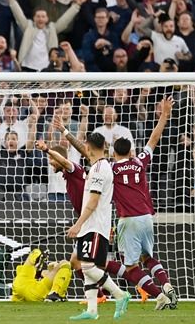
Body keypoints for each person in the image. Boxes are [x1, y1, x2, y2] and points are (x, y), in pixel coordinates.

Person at [111, 97, 178, 310]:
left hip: (128, 220)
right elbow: (154, 138)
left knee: (130, 267)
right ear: (130, 152)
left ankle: (159, 295)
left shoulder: (110, 169)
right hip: (147, 217)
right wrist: (165, 114)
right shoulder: (140, 161)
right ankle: (166, 283)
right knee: (147, 256)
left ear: (114, 153)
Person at [66, 132, 130, 320]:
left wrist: (78, 224)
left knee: (87, 267)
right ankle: (92, 310)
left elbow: (93, 201)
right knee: (87, 267)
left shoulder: (100, 168)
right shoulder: (98, 166)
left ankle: (120, 294)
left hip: (95, 225)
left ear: (87, 146)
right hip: (91, 226)